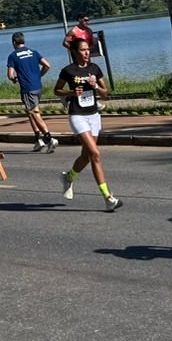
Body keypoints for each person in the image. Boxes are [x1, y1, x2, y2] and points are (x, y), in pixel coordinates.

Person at [54, 38, 120, 211]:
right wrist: (71, 92)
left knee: (87, 156)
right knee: (95, 154)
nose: (86, 53)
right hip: (77, 115)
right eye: (83, 50)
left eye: (88, 50)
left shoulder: (94, 69)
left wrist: (96, 87)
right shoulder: (68, 71)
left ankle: (69, 177)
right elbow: (57, 90)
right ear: (75, 52)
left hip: (93, 115)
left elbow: (106, 95)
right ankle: (108, 197)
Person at [6, 32, 57, 152]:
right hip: (38, 86)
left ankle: (49, 138)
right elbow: (47, 65)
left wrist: (14, 79)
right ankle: (38, 139)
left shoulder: (13, 56)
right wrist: (39, 75)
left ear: (13, 42)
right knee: (30, 112)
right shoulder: (33, 52)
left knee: (34, 113)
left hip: (27, 88)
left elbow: (10, 75)